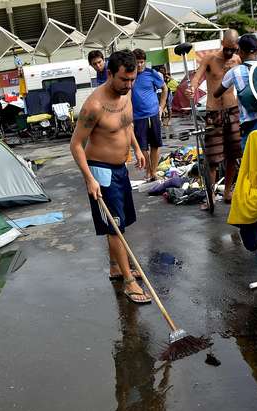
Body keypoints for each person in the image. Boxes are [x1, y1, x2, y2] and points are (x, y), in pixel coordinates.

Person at [70, 50, 150, 305]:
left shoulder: (126, 95)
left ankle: (116, 266)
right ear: (110, 73)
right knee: (116, 227)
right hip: (101, 172)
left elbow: (126, 124)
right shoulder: (94, 106)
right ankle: (128, 281)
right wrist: (89, 178)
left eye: (132, 79)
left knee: (118, 221)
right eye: (124, 80)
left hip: (121, 168)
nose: (129, 85)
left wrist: (136, 148)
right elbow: (76, 145)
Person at [188, 29, 242, 207]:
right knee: (212, 159)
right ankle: (210, 197)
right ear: (222, 43)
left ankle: (227, 192)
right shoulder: (210, 59)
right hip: (214, 114)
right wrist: (192, 88)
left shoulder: (237, 60)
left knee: (233, 155)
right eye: (227, 49)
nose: (229, 53)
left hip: (233, 111)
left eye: (232, 50)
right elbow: (196, 78)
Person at [213, 34, 257, 152]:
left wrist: (224, 74)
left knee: (251, 162)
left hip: (250, 125)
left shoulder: (234, 71)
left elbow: (216, 93)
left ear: (240, 51)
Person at [131, 48, 167, 182]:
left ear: (145, 62)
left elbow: (165, 88)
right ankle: (148, 170)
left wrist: (161, 107)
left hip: (153, 114)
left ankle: (154, 171)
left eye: (141, 62)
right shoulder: (130, 76)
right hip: (138, 117)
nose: (139, 65)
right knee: (142, 147)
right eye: (137, 63)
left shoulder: (151, 73)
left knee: (156, 144)